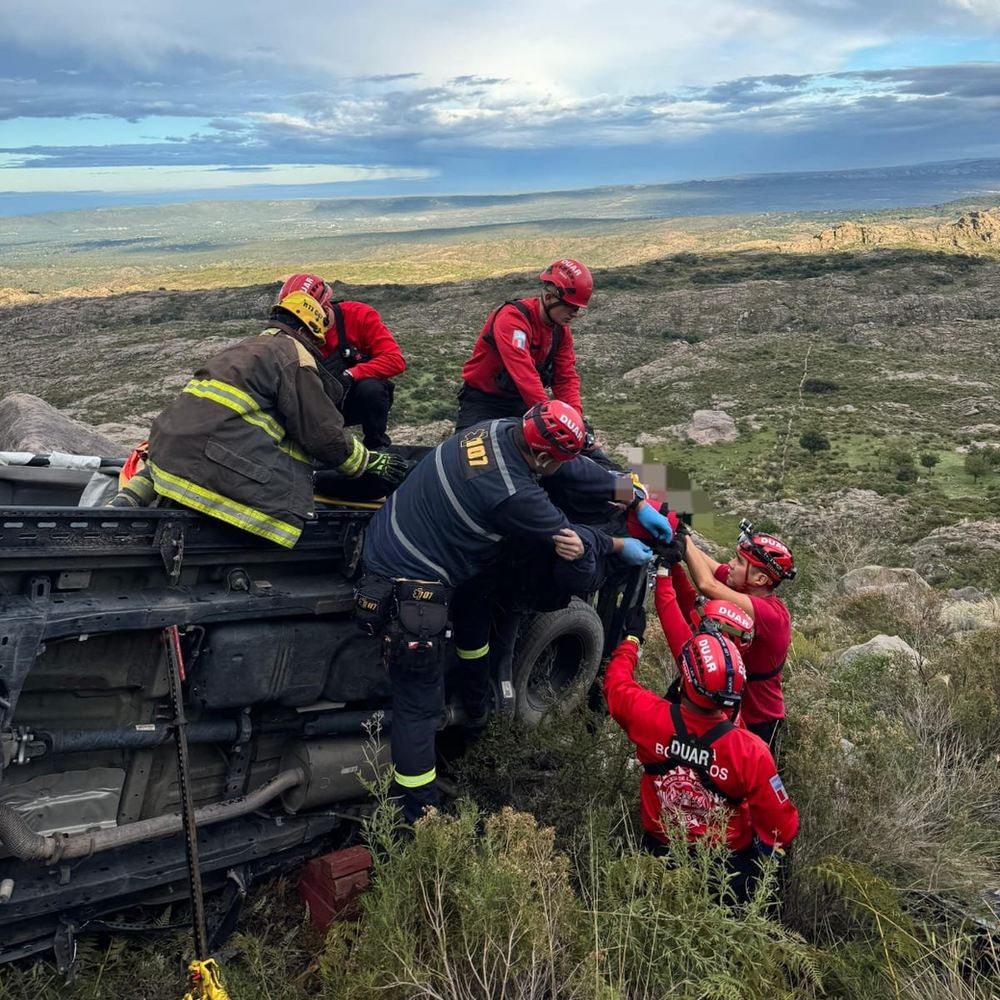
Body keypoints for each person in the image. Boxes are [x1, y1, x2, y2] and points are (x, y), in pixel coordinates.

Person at [356, 400, 663, 823]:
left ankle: (476, 712)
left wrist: (632, 495)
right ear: (539, 456)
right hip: (408, 581)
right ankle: (417, 816)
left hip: (393, 536)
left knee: (475, 614)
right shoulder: (513, 493)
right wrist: (618, 545)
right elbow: (570, 541)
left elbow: (570, 469)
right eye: (552, 460)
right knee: (418, 707)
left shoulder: (501, 428)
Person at [112, 290, 407, 546]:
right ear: (305, 333)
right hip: (214, 470)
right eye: (315, 343)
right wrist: (368, 462)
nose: (317, 351)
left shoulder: (241, 348)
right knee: (285, 489)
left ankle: (121, 508)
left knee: (167, 465)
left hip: (167, 452)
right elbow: (323, 434)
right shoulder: (295, 356)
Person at [603, 607, 798, 903]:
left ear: (684, 681)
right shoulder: (751, 752)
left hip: (658, 855)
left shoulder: (647, 716)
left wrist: (632, 640)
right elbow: (780, 826)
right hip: (727, 870)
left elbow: (616, 683)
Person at [681, 519, 796, 749]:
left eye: (739, 561)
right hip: (731, 712)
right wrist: (682, 538)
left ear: (760, 579)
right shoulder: (744, 584)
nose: (730, 564)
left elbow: (707, 585)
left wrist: (683, 542)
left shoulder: (770, 614)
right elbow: (713, 568)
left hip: (759, 723)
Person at [456, 259, 593, 432]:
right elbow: (523, 373)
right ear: (550, 298)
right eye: (571, 307)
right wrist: (551, 419)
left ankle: (636, 458)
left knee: (562, 451)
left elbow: (565, 377)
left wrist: (575, 420)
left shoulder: (560, 332)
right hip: (483, 401)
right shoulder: (513, 319)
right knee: (467, 454)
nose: (574, 314)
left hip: (522, 402)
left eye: (578, 309)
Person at [277, 274, 406, 448]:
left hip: (355, 400)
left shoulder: (359, 316)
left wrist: (352, 374)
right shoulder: (291, 335)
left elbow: (395, 360)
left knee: (371, 388)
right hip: (316, 404)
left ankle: (377, 446)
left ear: (323, 307)